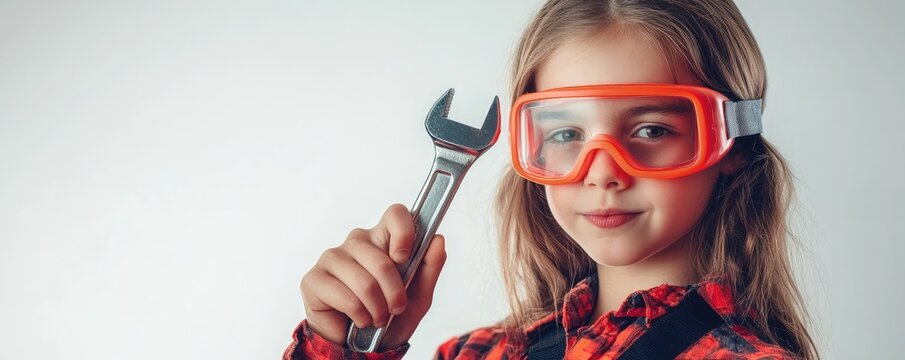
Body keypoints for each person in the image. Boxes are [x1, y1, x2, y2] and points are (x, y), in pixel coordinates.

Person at [282, 0, 819, 358]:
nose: (602, 172)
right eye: (566, 134)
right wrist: (342, 346)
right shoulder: (479, 354)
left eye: (652, 129)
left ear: (731, 142)